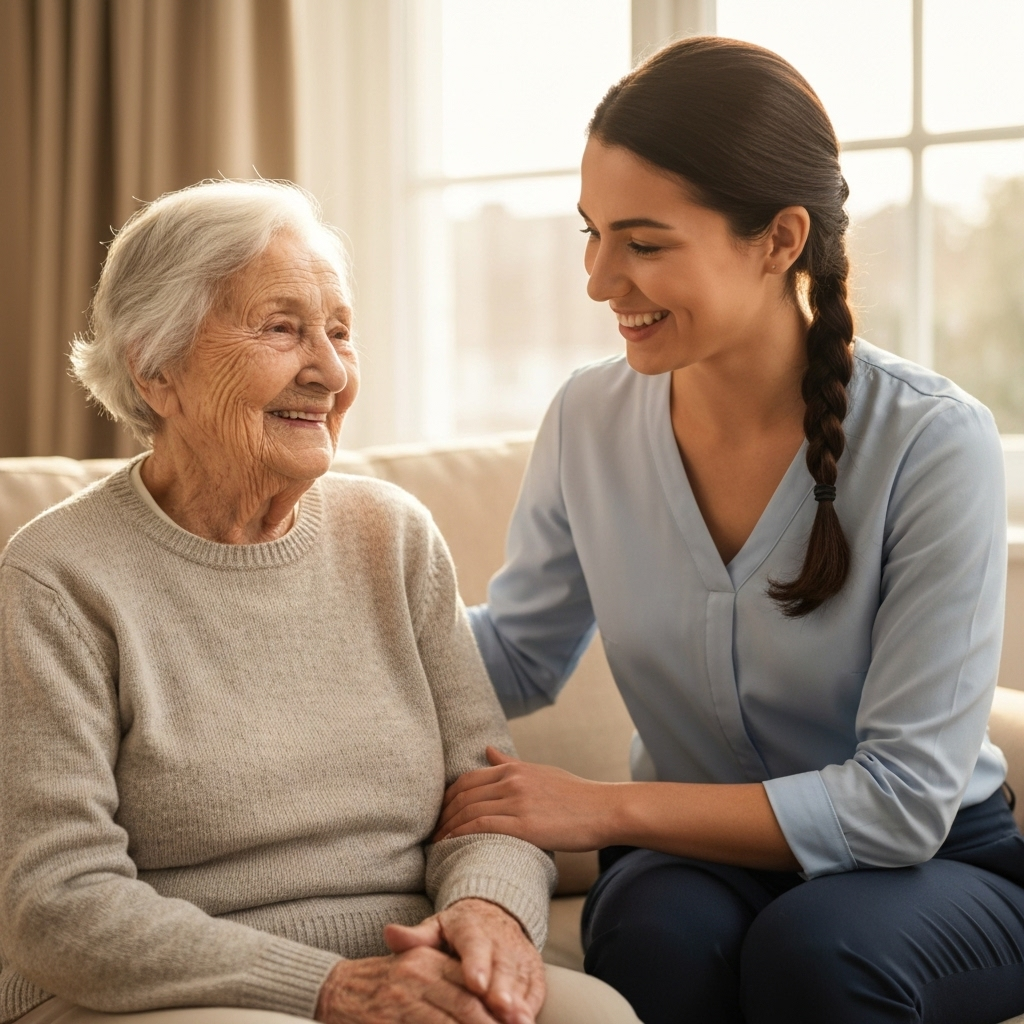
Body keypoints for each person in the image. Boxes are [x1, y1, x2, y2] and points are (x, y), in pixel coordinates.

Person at [433, 36, 1024, 1024]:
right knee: (656, 941)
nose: (598, 279)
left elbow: (901, 802)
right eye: (591, 233)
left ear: (779, 238)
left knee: (818, 952)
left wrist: (599, 805)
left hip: (928, 864)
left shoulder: (932, 441)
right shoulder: (586, 418)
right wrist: (320, 639)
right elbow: (519, 653)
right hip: (691, 860)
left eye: (643, 243)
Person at [0, 181, 638, 1024]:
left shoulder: (393, 536)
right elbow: (56, 900)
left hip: (410, 955)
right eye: (281, 328)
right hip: (172, 985)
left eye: (339, 332)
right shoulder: (57, 577)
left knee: (597, 1016)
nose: (331, 372)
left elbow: (490, 801)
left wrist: (487, 915)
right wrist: (331, 988)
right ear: (155, 369)